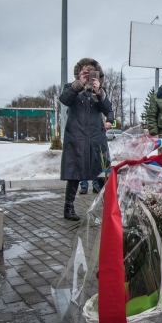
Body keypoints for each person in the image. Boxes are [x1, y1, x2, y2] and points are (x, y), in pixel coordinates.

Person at [59, 58, 114, 221]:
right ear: (79, 73)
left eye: (91, 73)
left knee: (103, 172)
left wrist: (99, 92)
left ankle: (110, 208)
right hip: (76, 137)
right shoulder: (72, 88)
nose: (88, 76)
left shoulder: (99, 91)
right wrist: (79, 84)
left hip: (96, 137)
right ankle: (68, 208)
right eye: (85, 73)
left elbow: (108, 109)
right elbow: (64, 100)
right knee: (74, 172)